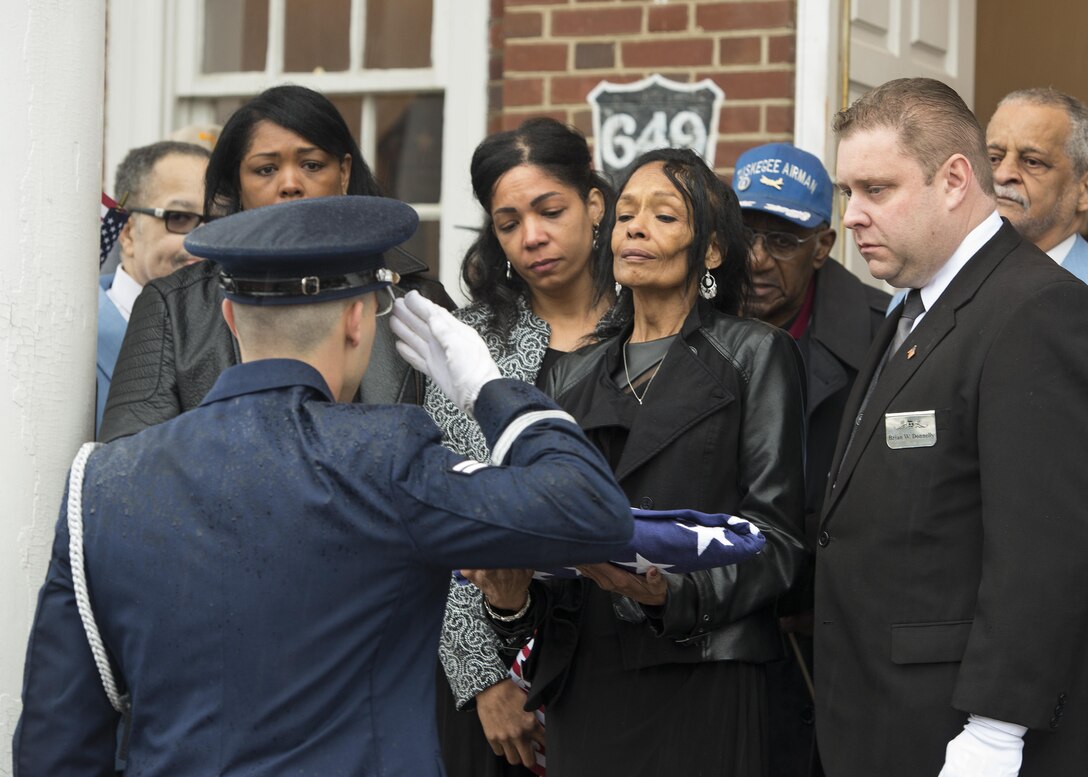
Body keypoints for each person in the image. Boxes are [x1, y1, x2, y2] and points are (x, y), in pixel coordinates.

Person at [13, 195, 634, 776]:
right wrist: (487, 390)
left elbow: (57, 743)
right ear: (359, 321)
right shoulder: (387, 455)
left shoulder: (101, 481)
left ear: (230, 316)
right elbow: (592, 510)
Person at [467, 147, 808, 777]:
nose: (635, 227)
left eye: (665, 215)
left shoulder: (757, 354)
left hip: (704, 671)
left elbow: (778, 540)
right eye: (625, 213)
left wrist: (665, 593)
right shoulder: (568, 376)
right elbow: (551, 549)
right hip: (588, 685)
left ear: (709, 251)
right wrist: (509, 599)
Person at [817, 77, 1088, 776]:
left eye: (876, 190)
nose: (853, 217)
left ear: (955, 180)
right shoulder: (914, 305)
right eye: (849, 194)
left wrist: (996, 730)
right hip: (877, 716)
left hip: (956, 734)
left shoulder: (1035, 310)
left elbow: (1043, 548)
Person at [98, 84, 451, 442]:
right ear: (237, 182)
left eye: (312, 165)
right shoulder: (171, 306)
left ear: (344, 173)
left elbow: (456, 449)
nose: (290, 184)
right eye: (265, 170)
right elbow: (133, 461)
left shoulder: (416, 297)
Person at [430, 118, 613, 776]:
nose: (531, 236)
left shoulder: (653, 319)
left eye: (550, 209)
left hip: (625, 642)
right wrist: (484, 678)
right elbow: (446, 507)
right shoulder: (468, 342)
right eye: (508, 222)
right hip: (496, 667)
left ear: (594, 203)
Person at [733, 142, 889, 777]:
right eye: (744, 234)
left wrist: (831, 593)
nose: (758, 259)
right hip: (717, 635)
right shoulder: (681, 323)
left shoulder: (888, 333)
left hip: (837, 645)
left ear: (823, 245)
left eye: (784, 240)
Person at [96, 140, 209, 431]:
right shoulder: (71, 341)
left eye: (220, 221)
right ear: (128, 232)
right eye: (180, 218)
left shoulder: (238, 336)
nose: (203, 240)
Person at [986, 87, 1088, 281]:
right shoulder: (935, 273)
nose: (1003, 174)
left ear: (1083, 191)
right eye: (994, 158)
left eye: (1032, 161)